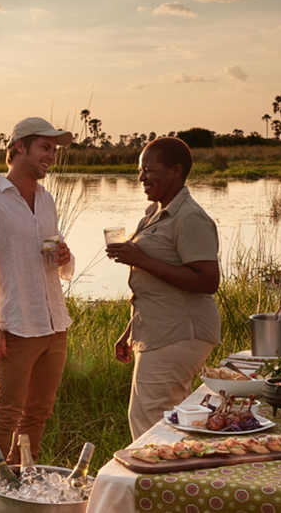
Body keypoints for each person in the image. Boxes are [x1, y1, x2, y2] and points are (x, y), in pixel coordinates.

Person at [0, 117, 76, 472]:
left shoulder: (46, 200)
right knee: (7, 412)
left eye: (54, 150)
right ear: (19, 147)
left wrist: (66, 257)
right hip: (16, 326)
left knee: (39, 411)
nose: (51, 156)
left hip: (54, 323)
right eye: (45, 147)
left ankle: (23, 481)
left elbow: (57, 259)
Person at [105, 136, 221, 439]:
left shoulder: (190, 217)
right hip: (157, 330)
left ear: (175, 172)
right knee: (164, 418)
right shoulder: (155, 213)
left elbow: (208, 281)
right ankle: (180, 468)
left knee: (151, 421)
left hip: (179, 332)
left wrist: (141, 259)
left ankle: (156, 470)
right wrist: (131, 330)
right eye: (140, 171)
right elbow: (156, 286)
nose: (141, 177)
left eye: (148, 170)